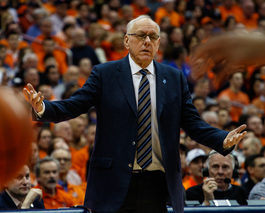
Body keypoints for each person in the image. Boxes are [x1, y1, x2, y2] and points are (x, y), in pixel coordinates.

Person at [24, 15, 246, 213]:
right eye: (141, 35)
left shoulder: (175, 77)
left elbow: (192, 123)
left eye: (153, 37)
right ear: (127, 41)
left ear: (159, 43)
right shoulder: (105, 74)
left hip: (158, 183)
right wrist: (42, 108)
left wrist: (222, 139)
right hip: (114, 181)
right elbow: (74, 105)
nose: (147, 41)